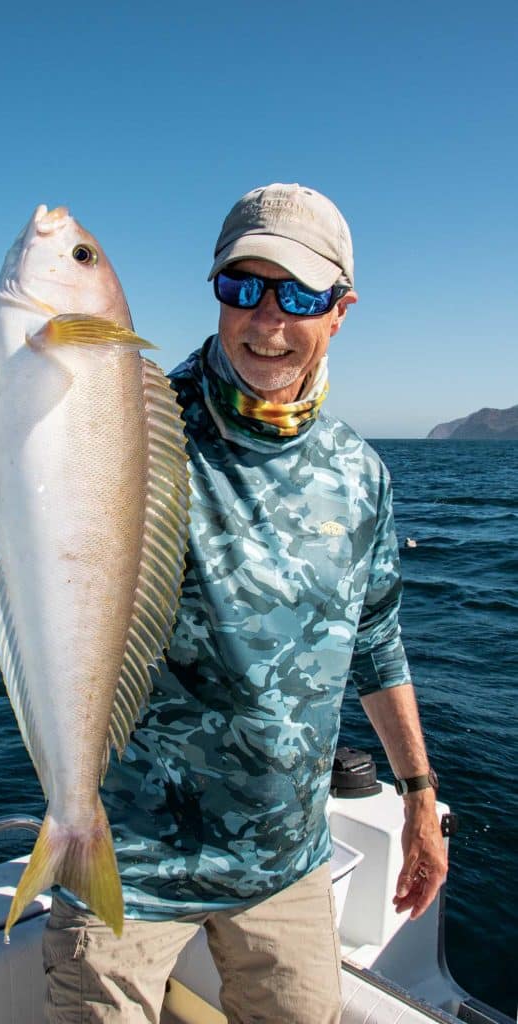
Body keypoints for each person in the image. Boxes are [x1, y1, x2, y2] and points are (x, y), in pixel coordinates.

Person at [41, 183, 449, 1024]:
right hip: (128, 858)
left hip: (286, 864)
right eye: (242, 287)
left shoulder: (361, 474)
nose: (266, 320)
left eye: (297, 294)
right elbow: (52, 405)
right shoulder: (139, 420)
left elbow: (377, 641)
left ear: (340, 310)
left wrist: (416, 793)